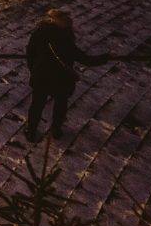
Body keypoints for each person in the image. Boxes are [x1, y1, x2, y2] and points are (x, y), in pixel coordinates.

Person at [25, 9, 107, 141]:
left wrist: (34, 70)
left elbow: (30, 55)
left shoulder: (39, 34)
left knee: (37, 104)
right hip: (61, 78)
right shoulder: (65, 37)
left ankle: (31, 130)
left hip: (41, 76)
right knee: (60, 104)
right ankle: (56, 129)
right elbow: (84, 59)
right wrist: (105, 58)